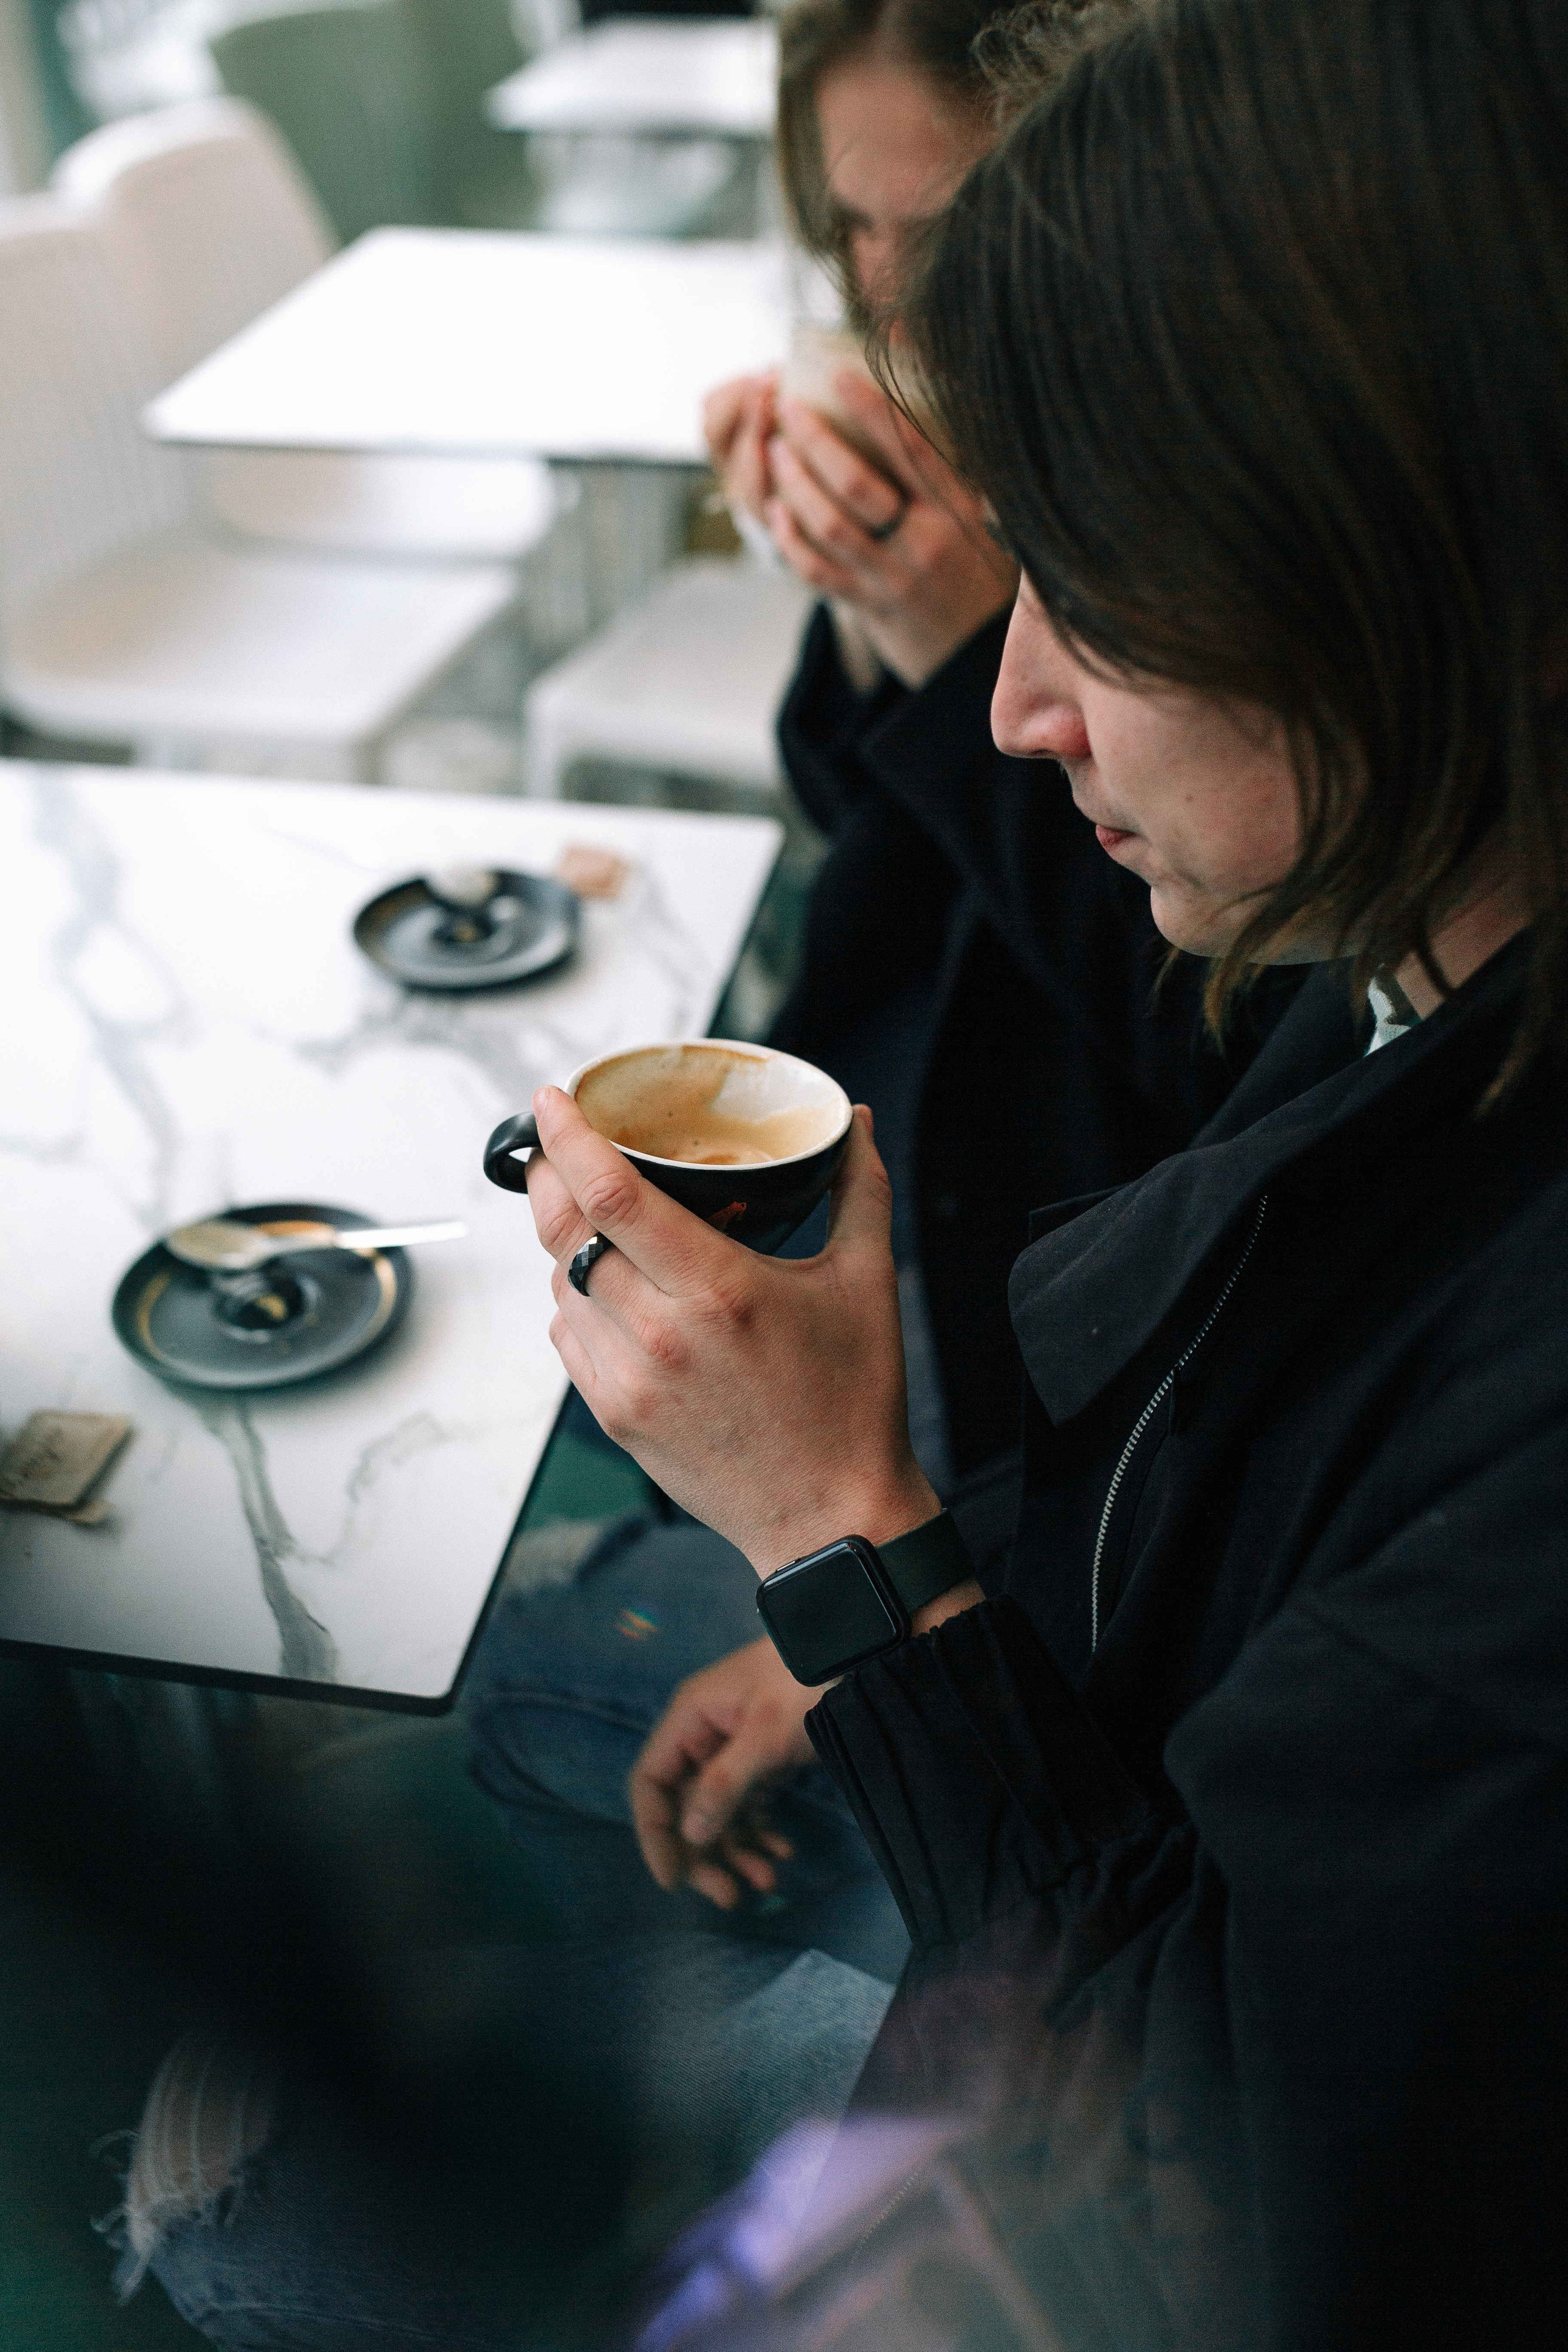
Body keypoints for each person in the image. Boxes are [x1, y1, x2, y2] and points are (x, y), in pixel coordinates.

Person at [518, 0, 1568, 2342]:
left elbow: (1189, 2206)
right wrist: (917, 1565)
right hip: (1050, 1720)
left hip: (1096, 2117)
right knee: (534, 1717)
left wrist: (855, 1548)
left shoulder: (1515, 1482)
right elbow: (1184, 1466)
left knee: (265, 2202)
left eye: (1095, 586)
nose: (1011, 698)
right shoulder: (1415, 934)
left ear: (1428, 583)